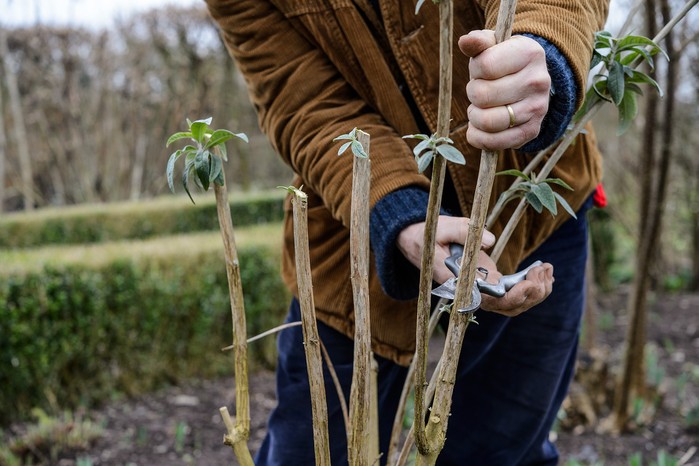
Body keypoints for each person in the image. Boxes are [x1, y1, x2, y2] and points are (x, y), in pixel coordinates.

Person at [206, 0, 609, 464]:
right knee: (316, 449)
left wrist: (543, 50)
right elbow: (303, 101)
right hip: (352, 235)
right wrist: (398, 212)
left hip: (530, 198)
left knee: (503, 445)